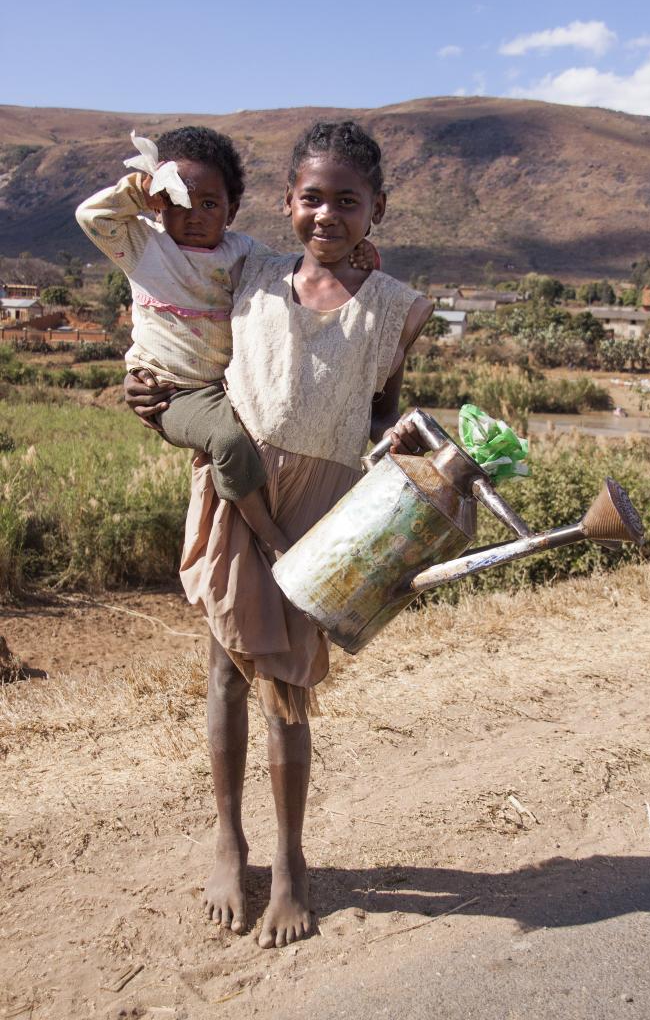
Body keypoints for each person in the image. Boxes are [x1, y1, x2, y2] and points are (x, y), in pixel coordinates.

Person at [125, 120, 433, 949]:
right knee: (225, 674)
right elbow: (184, 348)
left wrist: (396, 437)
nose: (325, 215)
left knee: (289, 692)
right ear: (285, 202)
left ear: (377, 208)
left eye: (346, 201)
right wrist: (159, 404)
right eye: (309, 198)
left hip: (321, 510)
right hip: (239, 495)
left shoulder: (396, 308)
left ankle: (292, 866)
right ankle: (229, 841)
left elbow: (376, 410)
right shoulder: (249, 271)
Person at [76, 126, 287, 559]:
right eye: (178, 203)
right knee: (227, 442)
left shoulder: (243, 252)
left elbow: (299, 273)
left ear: (232, 211)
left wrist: (358, 257)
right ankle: (272, 537)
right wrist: (137, 192)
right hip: (169, 390)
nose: (194, 216)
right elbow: (90, 216)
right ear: (158, 207)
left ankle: (242, 537)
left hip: (225, 387)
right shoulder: (143, 246)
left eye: (209, 204)